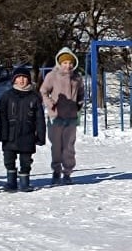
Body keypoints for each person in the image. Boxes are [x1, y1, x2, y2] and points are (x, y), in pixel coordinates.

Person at [0, 67, 46, 192]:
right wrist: (2, 134)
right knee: (9, 159)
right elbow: (1, 117)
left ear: (28, 80)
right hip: (10, 135)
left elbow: (40, 119)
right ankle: (11, 182)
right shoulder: (7, 96)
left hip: (27, 135)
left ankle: (25, 182)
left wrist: (40, 135)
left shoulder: (34, 97)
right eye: (19, 78)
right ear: (14, 80)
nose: (22, 80)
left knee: (26, 161)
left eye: (24, 77)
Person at [40, 47, 83, 185]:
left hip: (71, 117)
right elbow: (43, 91)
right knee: (56, 146)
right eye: (64, 62)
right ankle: (56, 170)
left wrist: (79, 105)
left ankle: (67, 172)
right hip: (56, 117)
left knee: (69, 147)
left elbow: (81, 94)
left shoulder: (77, 78)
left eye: (70, 63)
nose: (67, 65)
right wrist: (50, 103)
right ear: (59, 62)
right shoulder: (52, 76)